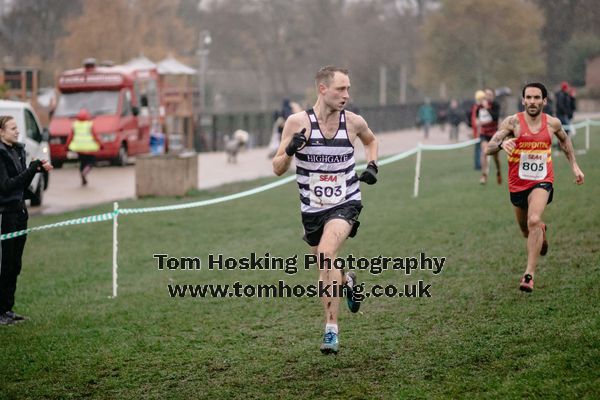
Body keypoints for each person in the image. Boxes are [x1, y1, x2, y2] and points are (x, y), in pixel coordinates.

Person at [272, 66, 378, 354]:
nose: (347, 95)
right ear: (322, 89)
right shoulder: (296, 122)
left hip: (346, 202)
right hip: (312, 209)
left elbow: (371, 140)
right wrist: (291, 149)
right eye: (341, 89)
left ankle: (331, 330)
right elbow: (277, 168)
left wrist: (372, 165)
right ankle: (348, 280)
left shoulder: (354, 122)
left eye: (348, 89)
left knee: (326, 254)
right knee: (326, 265)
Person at [486, 83, 584, 292]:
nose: (532, 101)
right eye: (528, 97)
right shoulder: (512, 122)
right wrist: (502, 144)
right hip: (517, 184)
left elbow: (565, 142)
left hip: (542, 180)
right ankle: (541, 234)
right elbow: (489, 148)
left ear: (544, 101)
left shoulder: (552, 124)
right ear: (523, 100)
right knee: (525, 230)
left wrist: (574, 166)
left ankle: (529, 275)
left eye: (536, 97)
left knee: (534, 219)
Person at [0, 115, 52, 325]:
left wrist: (36, 168)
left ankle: (8, 308)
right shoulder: (1, 154)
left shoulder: (18, 150)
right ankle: (1, 311)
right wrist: (31, 169)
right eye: (12, 128)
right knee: (5, 264)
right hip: (6, 215)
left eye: (16, 127)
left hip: (21, 213)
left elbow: (22, 181)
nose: (17, 131)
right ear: (1, 132)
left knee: (15, 264)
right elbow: (6, 186)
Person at [476, 88, 502, 184]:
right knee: (484, 152)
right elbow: (477, 118)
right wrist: (477, 122)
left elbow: (495, 118)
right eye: (486, 94)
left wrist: (487, 108)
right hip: (484, 134)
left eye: (490, 94)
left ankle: (498, 171)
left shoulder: (495, 105)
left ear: (493, 96)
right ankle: (484, 175)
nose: (488, 96)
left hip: (494, 134)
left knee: (496, 157)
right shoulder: (480, 106)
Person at [68, 108, 99, 186]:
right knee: (91, 162)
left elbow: (70, 137)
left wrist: (67, 146)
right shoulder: (89, 124)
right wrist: (100, 144)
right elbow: (95, 136)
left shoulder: (75, 124)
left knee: (82, 163)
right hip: (90, 149)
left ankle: (83, 179)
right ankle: (85, 172)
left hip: (79, 149)